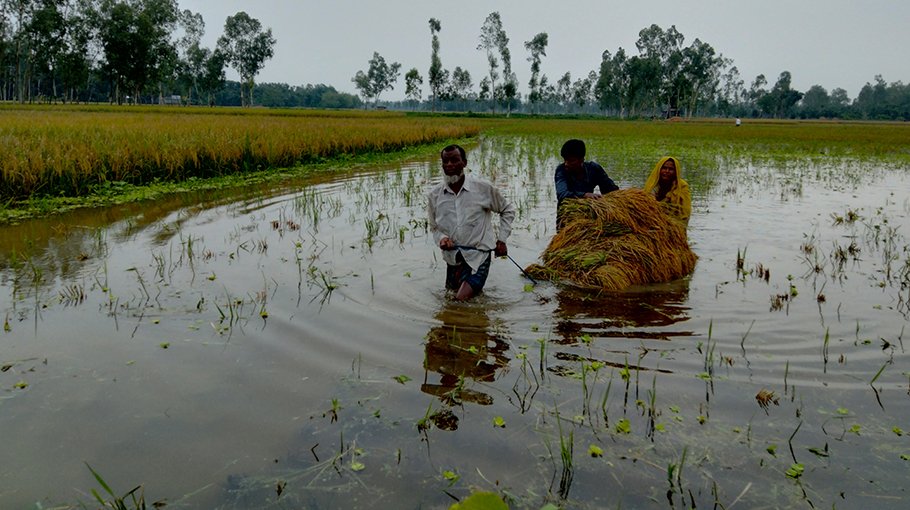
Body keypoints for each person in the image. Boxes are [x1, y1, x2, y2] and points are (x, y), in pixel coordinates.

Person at [427, 144, 516, 301]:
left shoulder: (482, 189)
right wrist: (442, 239)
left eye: (454, 160)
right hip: (453, 258)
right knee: (451, 297)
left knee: (459, 301)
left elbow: (507, 210)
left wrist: (502, 240)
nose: (449, 165)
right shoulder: (434, 195)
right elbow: (434, 228)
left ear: (464, 163)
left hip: (478, 257)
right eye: (445, 161)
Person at [554, 139, 619, 229]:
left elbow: (610, 190)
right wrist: (584, 195)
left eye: (571, 160)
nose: (566, 164)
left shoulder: (593, 169)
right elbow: (562, 194)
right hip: (566, 217)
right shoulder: (561, 171)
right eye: (565, 160)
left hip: (587, 215)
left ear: (581, 159)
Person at [644, 156, 691, 224]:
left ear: (676, 172)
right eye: (664, 168)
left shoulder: (682, 186)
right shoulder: (652, 184)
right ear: (659, 169)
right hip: (653, 221)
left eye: (671, 169)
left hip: (674, 223)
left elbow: (685, 212)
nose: (667, 171)